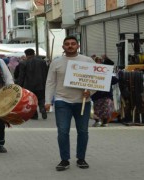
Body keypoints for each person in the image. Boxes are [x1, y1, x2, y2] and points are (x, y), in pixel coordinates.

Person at [45, 36, 96, 171]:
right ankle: (64, 160)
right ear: (63, 47)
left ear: (77, 46)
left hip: (83, 102)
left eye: (73, 44)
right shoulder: (56, 63)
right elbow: (50, 82)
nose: (70, 46)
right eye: (67, 44)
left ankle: (81, 158)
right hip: (62, 101)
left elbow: (96, 80)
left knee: (83, 131)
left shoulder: (87, 61)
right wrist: (47, 101)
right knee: (62, 132)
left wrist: (90, 92)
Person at [17, 48, 48, 120]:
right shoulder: (42, 62)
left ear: (26, 54)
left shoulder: (23, 63)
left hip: (28, 86)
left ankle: (34, 114)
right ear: (34, 54)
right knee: (41, 98)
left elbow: (21, 76)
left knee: (31, 100)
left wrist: (19, 86)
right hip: (40, 84)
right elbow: (46, 73)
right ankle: (42, 108)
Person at [91, 58, 119, 127]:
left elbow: (115, 80)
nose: (98, 64)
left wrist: (108, 75)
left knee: (106, 109)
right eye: (97, 62)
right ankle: (98, 121)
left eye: (100, 62)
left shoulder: (106, 72)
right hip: (96, 95)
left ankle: (105, 122)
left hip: (106, 94)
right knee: (97, 109)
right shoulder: (92, 72)